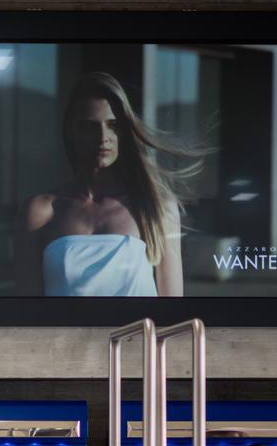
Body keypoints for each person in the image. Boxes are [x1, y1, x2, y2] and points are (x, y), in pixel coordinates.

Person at [14, 71, 202, 297]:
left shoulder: (156, 206)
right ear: (71, 131)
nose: (103, 136)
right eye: (89, 126)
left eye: (113, 125)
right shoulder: (40, 212)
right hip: (64, 333)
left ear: (125, 131)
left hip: (135, 332)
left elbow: (173, 309)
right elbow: (27, 317)